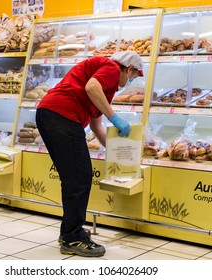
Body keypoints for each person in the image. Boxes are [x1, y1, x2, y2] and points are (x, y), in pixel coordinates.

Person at [35, 51, 143, 257]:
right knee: (78, 177)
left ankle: (69, 232)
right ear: (129, 69)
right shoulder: (111, 68)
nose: (129, 81)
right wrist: (116, 118)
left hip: (54, 115)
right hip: (62, 115)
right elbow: (91, 87)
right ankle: (73, 236)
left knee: (76, 177)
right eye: (133, 77)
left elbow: (95, 125)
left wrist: (117, 153)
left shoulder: (107, 88)